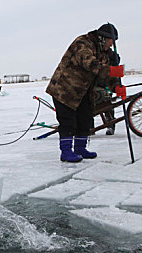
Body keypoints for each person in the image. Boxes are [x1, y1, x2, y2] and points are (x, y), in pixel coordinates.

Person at [46, 23, 124, 162]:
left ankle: (80, 148)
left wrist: (116, 86)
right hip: (65, 89)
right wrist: (111, 70)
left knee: (85, 119)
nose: (112, 45)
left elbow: (104, 75)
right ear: (103, 38)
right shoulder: (83, 43)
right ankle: (66, 152)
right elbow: (90, 63)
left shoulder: (104, 54)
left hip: (84, 91)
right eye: (111, 41)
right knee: (68, 121)